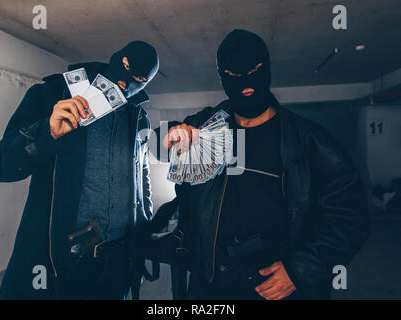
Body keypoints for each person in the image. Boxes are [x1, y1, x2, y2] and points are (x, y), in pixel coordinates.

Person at [157, 29, 369, 300]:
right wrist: (169, 134)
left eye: (254, 70)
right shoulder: (204, 127)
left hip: (276, 286)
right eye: (233, 77)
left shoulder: (310, 141)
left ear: (266, 68)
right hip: (210, 283)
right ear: (222, 77)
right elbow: (156, 146)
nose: (245, 83)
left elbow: (350, 218)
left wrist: (299, 270)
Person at [0, 40, 159, 299]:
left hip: (119, 264)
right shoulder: (52, 95)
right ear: (116, 58)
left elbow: (141, 176)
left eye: (138, 79)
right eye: (125, 69)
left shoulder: (138, 117)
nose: (124, 84)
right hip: (63, 263)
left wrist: (144, 226)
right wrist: (46, 132)